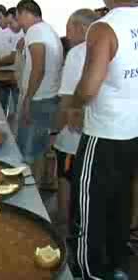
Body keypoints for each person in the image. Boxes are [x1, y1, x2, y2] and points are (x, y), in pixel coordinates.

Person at [69, 1, 138, 279]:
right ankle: (117, 266)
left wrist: (74, 104)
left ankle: (92, 272)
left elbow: (88, 87)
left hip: (104, 134)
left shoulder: (104, 27)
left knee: (90, 206)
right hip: (133, 132)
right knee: (121, 201)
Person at [53, 9, 98, 227]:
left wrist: (56, 130)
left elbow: (68, 99)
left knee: (65, 175)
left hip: (75, 133)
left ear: (81, 27)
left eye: (69, 28)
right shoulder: (111, 47)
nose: (67, 34)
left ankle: (64, 222)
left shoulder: (78, 52)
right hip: (101, 132)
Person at [15, 0, 63, 184]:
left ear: (24, 13)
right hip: (49, 97)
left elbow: (38, 68)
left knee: (27, 153)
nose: (18, 22)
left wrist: (28, 98)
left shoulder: (34, 31)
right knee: (39, 150)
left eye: (18, 17)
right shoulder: (49, 30)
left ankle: (26, 198)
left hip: (38, 99)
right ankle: (37, 192)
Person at [0, 5, 23, 116]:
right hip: (1, 76)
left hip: (15, 75)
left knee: (18, 106)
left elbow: (13, 58)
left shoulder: (17, 31)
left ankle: (16, 130)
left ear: (5, 15)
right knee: (0, 108)